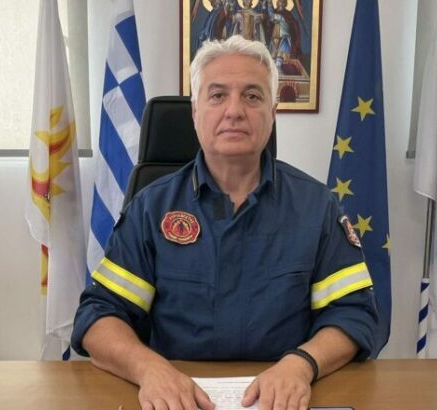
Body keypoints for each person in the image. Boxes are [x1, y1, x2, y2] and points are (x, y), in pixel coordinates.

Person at [71, 35, 378, 410]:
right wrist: (149, 369)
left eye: (252, 96)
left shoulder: (317, 207)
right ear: (195, 112)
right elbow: (99, 316)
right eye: (217, 95)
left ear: (272, 112)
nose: (234, 110)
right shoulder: (151, 208)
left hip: (283, 399)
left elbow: (354, 312)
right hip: (177, 398)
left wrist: (301, 365)